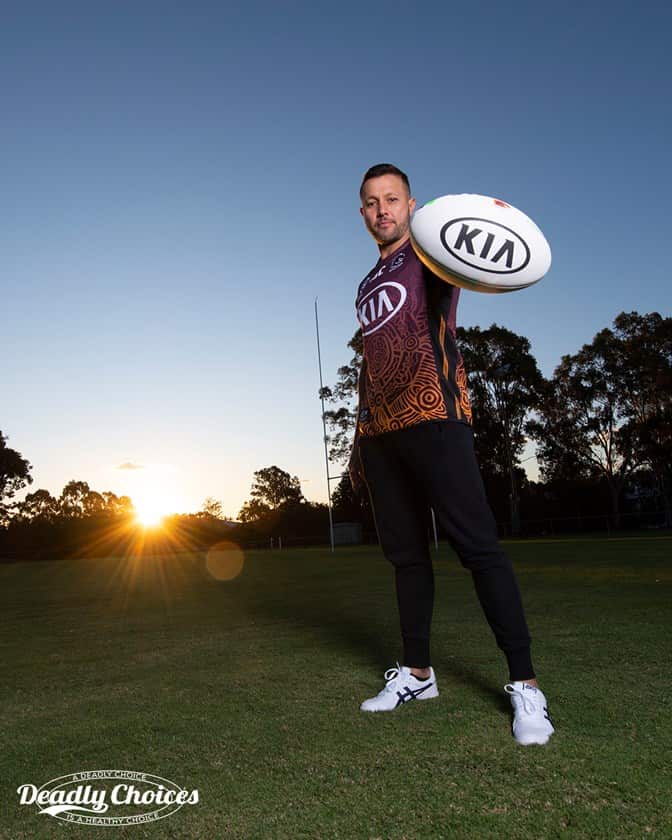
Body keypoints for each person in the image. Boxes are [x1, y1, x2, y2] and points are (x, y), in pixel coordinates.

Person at [349, 163, 554, 746]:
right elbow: (371, 364)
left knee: (479, 549)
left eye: (392, 199)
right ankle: (418, 674)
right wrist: (360, 441)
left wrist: (490, 216)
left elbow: (481, 246)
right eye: (371, 202)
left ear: (412, 205)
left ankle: (526, 685)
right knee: (407, 558)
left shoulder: (433, 253)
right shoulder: (366, 284)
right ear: (361, 213)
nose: (382, 209)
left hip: (437, 418)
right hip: (381, 434)